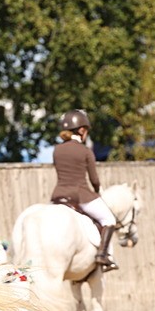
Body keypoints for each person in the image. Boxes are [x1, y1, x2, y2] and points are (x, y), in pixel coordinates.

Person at [52, 109, 117, 272]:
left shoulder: (57, 150)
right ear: (81, 130)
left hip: (58, 195)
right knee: (109, 219)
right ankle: (103, 255)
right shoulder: (85, 151)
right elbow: (94, 179)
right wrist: (98, 190)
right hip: (80, 195)